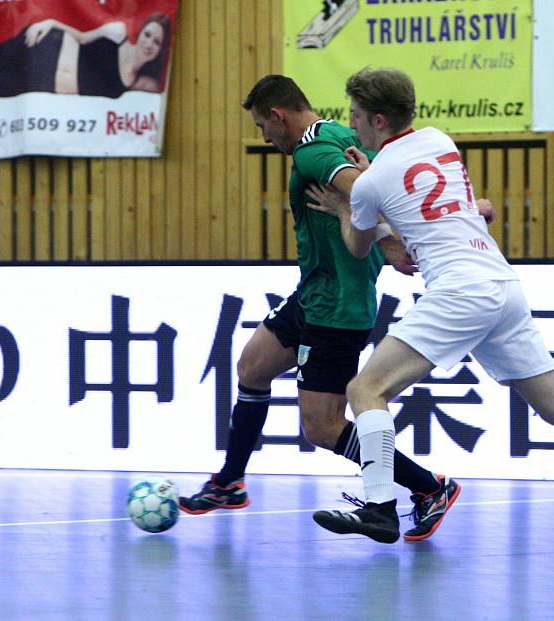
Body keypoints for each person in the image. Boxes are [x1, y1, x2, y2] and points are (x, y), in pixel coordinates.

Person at [308, 67, 554, 546]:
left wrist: (347, 206)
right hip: (501, 282)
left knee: (366, 390)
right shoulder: (439, 141)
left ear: (378, 120)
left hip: (459, 291)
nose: (353, 123)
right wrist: (372, 177)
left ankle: (382, 508)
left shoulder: (369, 184)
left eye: (357, 116)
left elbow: (360, 247)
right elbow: (418, 194)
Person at [179, 74, 461, 543]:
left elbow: (365, 187)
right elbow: (369, 192)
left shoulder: (312, 151)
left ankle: (430, 487)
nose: (263, 138)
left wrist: (388, 229)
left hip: (337, 307)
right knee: (252, 366)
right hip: (313, 292)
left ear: (278, 115)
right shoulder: (340, 134)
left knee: (323, 427)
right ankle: (230, 481)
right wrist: (388, 241)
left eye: (261, 126)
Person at [0, 13, 172, 98]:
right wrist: (49, 23)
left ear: (161, 50)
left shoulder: (141, 83)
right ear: (140, 32)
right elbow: (81, 37)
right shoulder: (118, 33)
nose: (149, 44)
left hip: (40, 82)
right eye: (148, 35)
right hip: (43, 46)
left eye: (157, 42)